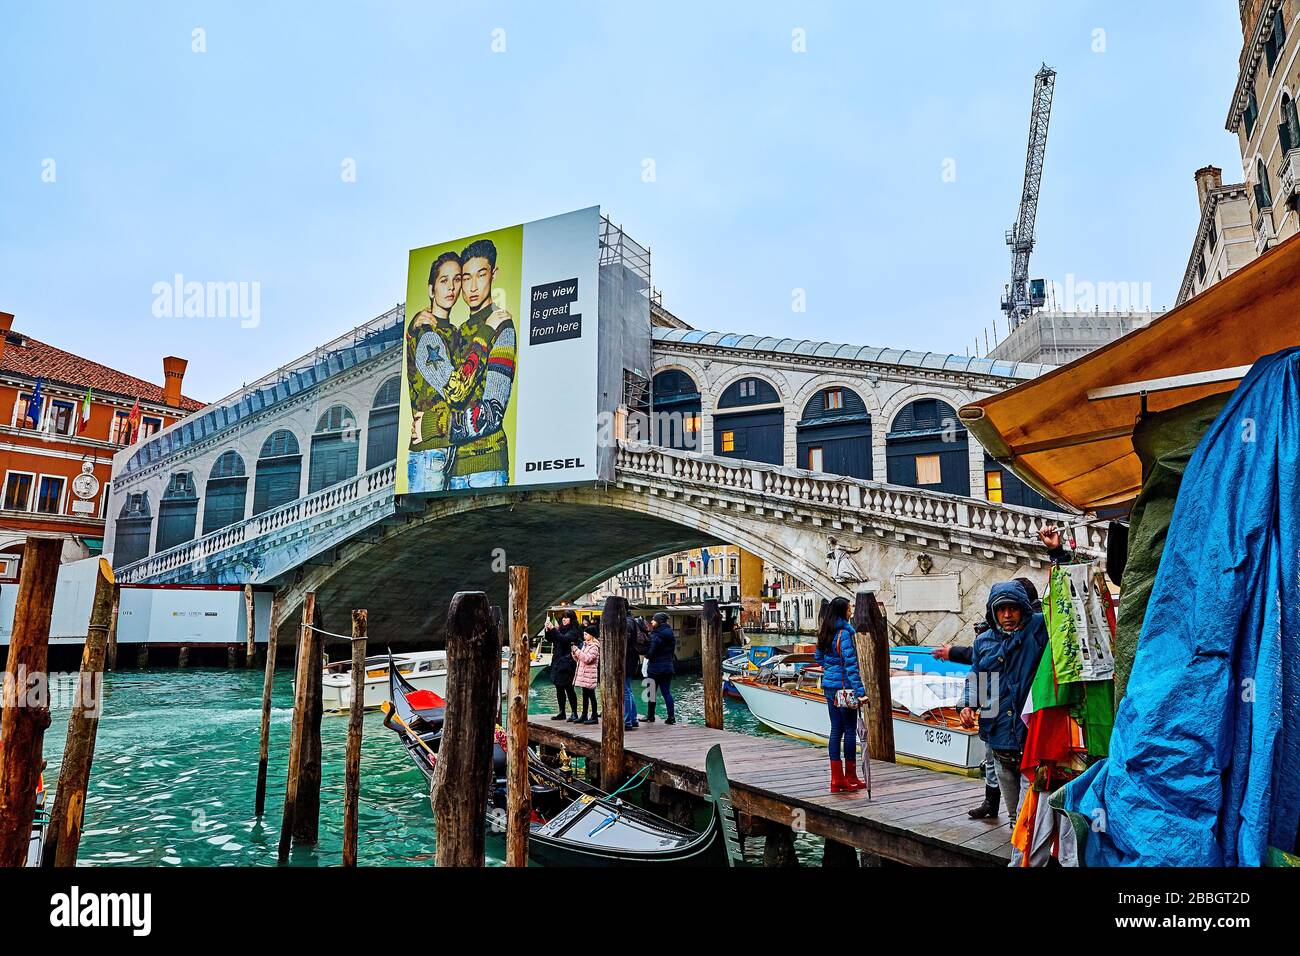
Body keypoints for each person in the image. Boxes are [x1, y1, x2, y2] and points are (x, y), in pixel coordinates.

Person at [959, 580, 1049, 866]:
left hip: (1031, 743)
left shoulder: (1037, 631)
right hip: (1000, 742)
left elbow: (1063, 610)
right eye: (1002, 610)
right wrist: (967, 706)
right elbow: (976, 679)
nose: (1007, 615)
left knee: (1027, 817)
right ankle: (1021, 857)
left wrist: (1058, 555)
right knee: (1015, 817)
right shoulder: (983, 642)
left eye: (1012, 609)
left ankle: (1019, 862)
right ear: (994, 613)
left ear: (1023, 609)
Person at [446, 238, 516, 489]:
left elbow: (493, 411)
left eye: (481, 275)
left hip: (487, 467)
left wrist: (441, 428)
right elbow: (452, 389)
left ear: (493, 275)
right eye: (466, 278)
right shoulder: (461, 331)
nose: (473, 287)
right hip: (451, 469)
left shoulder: (502, 327)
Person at [406, 251, 460, 492]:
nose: (451, 287)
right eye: (443, 280)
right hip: (428, 449)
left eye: (457, 279)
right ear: (431, 289)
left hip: (453, 446)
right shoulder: (424, 331)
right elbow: (453, 387)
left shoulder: (456, 332)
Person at [815, 596, 868, 793]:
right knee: (849, 728)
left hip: (829, 687)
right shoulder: (845, 634)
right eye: (849, 608)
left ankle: (838, 779)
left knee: (836, 730)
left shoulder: (825, 631)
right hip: (844, 689)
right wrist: (861, 693)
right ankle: (849, 776)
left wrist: (831, 669)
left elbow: (819, 657)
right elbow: (851, 666)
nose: (851, 611)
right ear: (842, 611)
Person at [546, 612, 582, 721]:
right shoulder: (560, 629)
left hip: (568, 662)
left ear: (571, 619)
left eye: (566, 618)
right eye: (563, 618)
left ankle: (574, 713)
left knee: (569, 688)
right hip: (557, 661)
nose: (564, 620)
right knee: (558, 687)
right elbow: (550, 639)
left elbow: (564, 639)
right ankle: (562, 712)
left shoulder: (574, 631)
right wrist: (548, 630)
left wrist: (554, 630)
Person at [644, 612, 676, 724]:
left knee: (651, 693)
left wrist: (645, 653)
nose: (652, 622)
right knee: (667, 693)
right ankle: (671, 717)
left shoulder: (655, 635)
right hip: (668, 667)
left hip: (654, 669)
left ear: (658, 621)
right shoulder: (670, 634)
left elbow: (650, 653)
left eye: (653, 620)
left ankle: (650, 716)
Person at [624, 616, 648, 730]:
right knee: (628, 689)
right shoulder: (632, 621)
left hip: (627, 660)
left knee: (626, 690)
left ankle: (627, 721)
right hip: (633, 660)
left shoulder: (627, 622)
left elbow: (625, 639)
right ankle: (633, 719)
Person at [574, 624, 601, 724]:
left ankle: (594, 716)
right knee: (585, 695)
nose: (584, 636)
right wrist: (575, 653)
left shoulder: (594, 647)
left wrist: (577, 651)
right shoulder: (586, 645)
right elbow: (580, 659)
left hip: (590, 674)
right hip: (584, 674)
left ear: (591, 635)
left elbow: (587, 659)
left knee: (591, 695)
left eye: (586, 634)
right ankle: (584, 715)